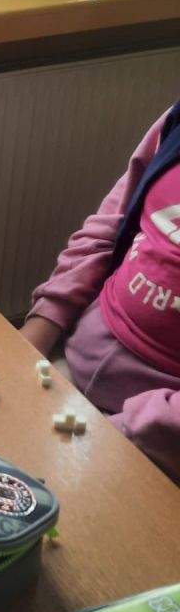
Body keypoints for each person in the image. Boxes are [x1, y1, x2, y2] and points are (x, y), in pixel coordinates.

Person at [20, 97, 180, 483]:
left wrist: (117, 436)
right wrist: (35, 335)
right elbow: (110, 224)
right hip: (72, 364)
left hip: (156, 442)